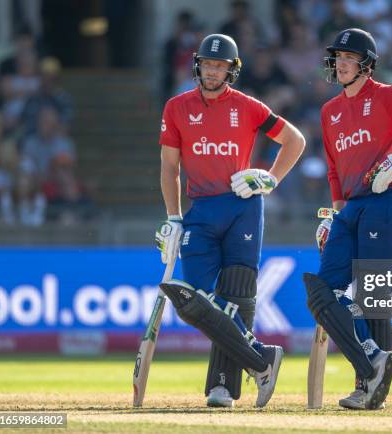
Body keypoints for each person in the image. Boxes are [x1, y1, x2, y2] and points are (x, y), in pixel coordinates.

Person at [155, 34, 305, 408]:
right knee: (195, 300)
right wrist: (173, 218)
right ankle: (261, 359)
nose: (212, 71)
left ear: (231, 70)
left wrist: (270, 178)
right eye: (207, 64)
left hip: (243, 206)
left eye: (219, 66)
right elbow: (169, 168)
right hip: (200, 211)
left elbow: (295, 140)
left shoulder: (248, 106)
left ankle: (222, 386)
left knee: (237, 298)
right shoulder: (176, 107)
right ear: (197, 65)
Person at [304, 28, 392, 410]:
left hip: (388, 200)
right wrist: (334, 214)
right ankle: (372, 360)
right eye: (337, 58)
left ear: (367, 64)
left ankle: (369, 388)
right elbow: (334, 169)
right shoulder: (329, 111)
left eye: (349, 58)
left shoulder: (389, 96)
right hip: (350, 208)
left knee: (373, 297)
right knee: (322, 292)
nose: (341, 64)